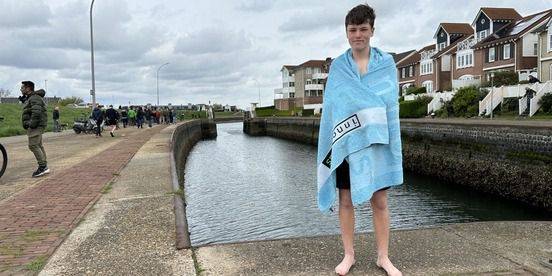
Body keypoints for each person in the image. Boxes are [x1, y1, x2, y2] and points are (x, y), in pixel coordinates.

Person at [317, 5, 403, 276]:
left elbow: (389, 105)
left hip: (377, 142)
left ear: (372, 31)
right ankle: (349, 255)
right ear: (346, 32)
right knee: (346, 200)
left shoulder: (386, 64)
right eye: (352, 30)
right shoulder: (339, 67)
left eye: (363, 29)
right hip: (346, 142)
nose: (358, 35)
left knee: (380, 200)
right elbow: (334, 106)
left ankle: (383, 257)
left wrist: (366, 110)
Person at [20, 81, 50, 177]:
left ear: (28, 88)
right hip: (37, 125)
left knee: (33, 145)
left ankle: (42, 167)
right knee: (38, 145)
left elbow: (36, 112)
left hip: (36, 126)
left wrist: (31, 124)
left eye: (22, 88)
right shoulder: (32, 97)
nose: (21, 89)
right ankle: (44, 166)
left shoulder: (34, 98)